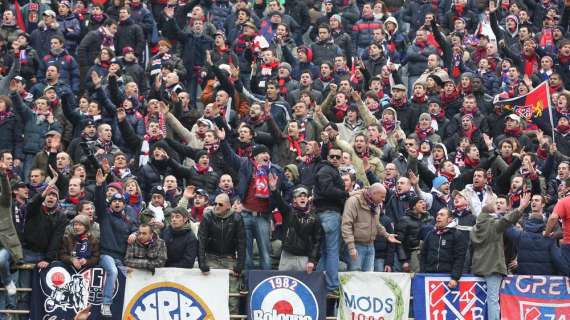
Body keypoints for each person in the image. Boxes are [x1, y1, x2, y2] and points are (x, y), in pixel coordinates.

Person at [470, 192, 531, 320]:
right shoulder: (494, 225)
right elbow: (507, 219)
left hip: (477, 267)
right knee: (493, 300)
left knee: (479, 299)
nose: (496, 204)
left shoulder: (475, 228)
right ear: (491, 213)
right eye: (495, 203)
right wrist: (521, 207)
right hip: (493, 268)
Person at [94, 169, 138, 317]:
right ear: (110, 204)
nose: (117, 203)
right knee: (112, 271)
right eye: (114, 201)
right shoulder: (105, 216)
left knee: (129, 276)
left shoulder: (128, 220)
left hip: (122, 258)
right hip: (106, 255)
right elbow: (99, 204)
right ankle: (105, 304)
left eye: (120, 201)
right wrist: (100, 186)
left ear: (124, 205)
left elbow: (137, 229)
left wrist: (135, 233)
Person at [198, 193, 245, 314]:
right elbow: (201, 241)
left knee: (233, 296)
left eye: (220, 204)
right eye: (215, 203)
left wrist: (239, 265)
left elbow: (242, 243)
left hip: (229, 259)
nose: (216, 206)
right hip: (210, 258)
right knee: (208, 294)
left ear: (228, 206)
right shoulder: (207, 216)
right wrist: (202, 263)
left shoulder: (237, 218)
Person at [269, 173, 322, 272]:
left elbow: (316, 241)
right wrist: (273, 189)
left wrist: (312, 260)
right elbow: (280, 202)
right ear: (294, 199)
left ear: (308, 199)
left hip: (304, 258)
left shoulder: (315, 218)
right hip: (287, 255)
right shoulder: (288, 211)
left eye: (305, 196)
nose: (302, 198)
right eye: (299, 196)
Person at [342, 183, 401, 271]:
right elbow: (346, 225)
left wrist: (387, 235)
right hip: (356, 246)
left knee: (368, 279)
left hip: (370, 246)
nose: (383, 200)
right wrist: (351, 247)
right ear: (374, 193)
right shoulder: (353, 201)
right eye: (382, 197)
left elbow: (377, 224)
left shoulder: (375, 205)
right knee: (354, 278)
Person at [420, 208, 467, 288]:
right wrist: (423, 273)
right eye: (437, 214)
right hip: (429, 275)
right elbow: (423, 255)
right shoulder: (430, 234)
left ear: (449, 219)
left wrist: (455, 278)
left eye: (442, 215)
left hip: (448, 277)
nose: (438, 217)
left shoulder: (457, 235)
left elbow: (459, 258)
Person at [545, 178, 570, 276]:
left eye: (562, 186)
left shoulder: (564, 202)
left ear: (567, 188)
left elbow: (553, 218)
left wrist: (547, 233)